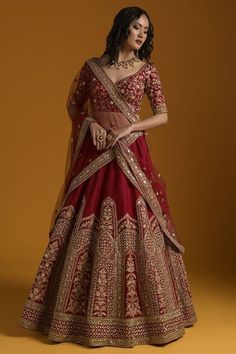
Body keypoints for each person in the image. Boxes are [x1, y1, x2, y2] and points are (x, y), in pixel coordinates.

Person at [18, 6, 197, 348]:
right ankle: (73, 317)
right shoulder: (92, 68)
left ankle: (141, 319)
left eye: (146, 29)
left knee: (137, 224)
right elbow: (74, 106)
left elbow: (162, 115)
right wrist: (91, 125)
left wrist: (130, 126)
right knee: (83, 222)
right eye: (136, 27)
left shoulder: (148, 72)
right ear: (121, 28)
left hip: (130, 155)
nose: (141, 34)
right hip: (95, 156)